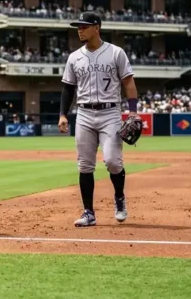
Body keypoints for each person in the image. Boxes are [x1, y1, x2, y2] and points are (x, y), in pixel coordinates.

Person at [57, 12, 139, 227]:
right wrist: (63, 114)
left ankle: (119, 198)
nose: (80, 30)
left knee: (113, 161)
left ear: (97, 28)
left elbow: (128, 83)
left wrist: (133, 112)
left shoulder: (116, 52)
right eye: (78, 27)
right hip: (84, 113)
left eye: (84, 26)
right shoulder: (74, 57)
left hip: (110, 112)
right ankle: (88, 213)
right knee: (85, 165)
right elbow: (68, 88)